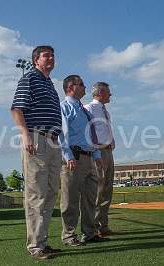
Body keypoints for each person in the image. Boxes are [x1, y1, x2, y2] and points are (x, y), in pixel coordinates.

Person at [11, 45, 62, 260]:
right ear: (35, 60)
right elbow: (17, 108)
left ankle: (42, 241)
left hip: (53, 141)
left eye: (52, 55)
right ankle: (35, 245)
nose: (50, 58)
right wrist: (25, 134)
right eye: (45, 55)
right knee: (36, 194)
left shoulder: (49, 84)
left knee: (50, 193)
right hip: (37, 138)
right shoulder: (30, 78)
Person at [59, 75, 108, 247]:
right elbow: (61, 135)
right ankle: (69, 236)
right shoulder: (64, 108)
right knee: (70, 199)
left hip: (89, 158)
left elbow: (90, 135)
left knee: (90, 198)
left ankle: (89, 233)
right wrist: (68, 156)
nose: (85, 87)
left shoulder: (84, 110)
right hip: (74, 158)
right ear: (71, 87)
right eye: (81, 84)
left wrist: (97, 156)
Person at [84, 82, 115, 237]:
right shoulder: (89, 108)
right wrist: (95, 150)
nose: (110, 94)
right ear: (101, 92)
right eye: (108, 92)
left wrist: (112, 139)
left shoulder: (106, 112)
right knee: (98, 190)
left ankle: (104, 226)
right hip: (98, 152)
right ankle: (93, 227)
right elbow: (88, 132)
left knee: (107, 190)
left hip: (109, 152)